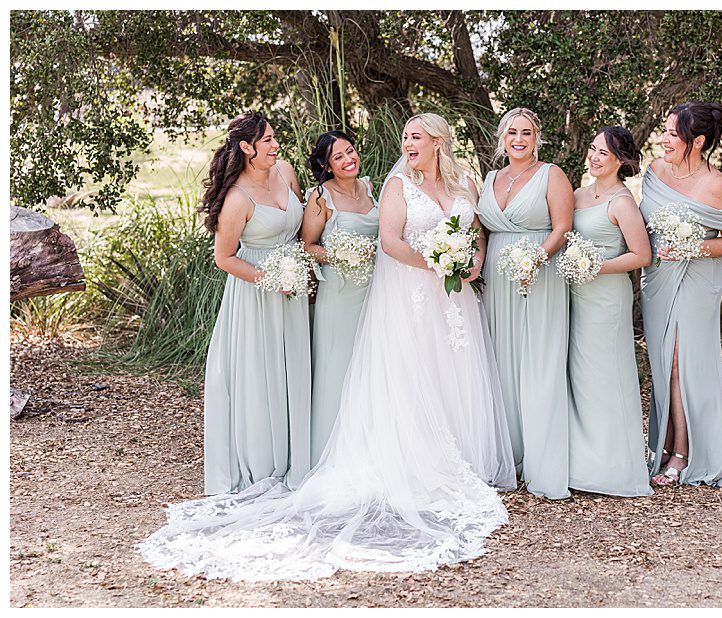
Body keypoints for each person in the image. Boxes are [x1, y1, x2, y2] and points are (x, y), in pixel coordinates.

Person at [137, 112, 515, 582]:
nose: (404, 144)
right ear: (249, 148)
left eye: (415, 136)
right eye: (270, 140)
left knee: (429, 369)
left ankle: (447, 451)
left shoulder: (400, 185)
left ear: (439, 142)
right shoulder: (360, 191)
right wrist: (326, 261)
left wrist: (466, 258)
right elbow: (308, 241)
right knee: (314, 371)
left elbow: (470, 230)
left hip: (426, 296)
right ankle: (287, 459)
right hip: (322, 289)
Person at [198, 111, 311, 495]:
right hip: (257, 292)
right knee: (260, 373)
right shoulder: (237, 199)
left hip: (292, 286)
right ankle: (264, 460)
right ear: (246, 148)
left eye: (274, 138)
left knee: (292, 366)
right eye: (267, 141)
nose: (275, 145)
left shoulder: (287, 172)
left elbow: (304, 218)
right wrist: (271, 279)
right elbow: (225, 258)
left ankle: (298, 452)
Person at [639, 101, 722, 487]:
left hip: (697, 281)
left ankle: (683, 453)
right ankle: (661, 447)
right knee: (662, 361)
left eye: (674, 134)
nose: (665, 140)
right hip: (656, 280)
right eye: (665, 131)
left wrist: (693, 248)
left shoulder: (717, 186)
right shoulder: (654, 170)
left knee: (680, 365)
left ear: (697, 141)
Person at [476, 107, 574, 499]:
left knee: (538, 361)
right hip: (497, 281)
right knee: (502, 363)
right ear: (503, 137)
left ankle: (542, 463)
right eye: (512, 132)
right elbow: (482, 228)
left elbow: (563, 227)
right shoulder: (489, 178)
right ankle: (508, 457)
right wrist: (476, 266)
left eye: (527, 133)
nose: (519, 139)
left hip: (540, 274)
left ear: (537, 139)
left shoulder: (552, 175)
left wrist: (536, 259)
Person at [567, 126, 653, 497]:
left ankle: (614, 467)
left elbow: (642, 255)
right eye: (591, 149)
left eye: (603, 152)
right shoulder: (576, 195)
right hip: (574, 295)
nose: (594, 157)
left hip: (606, 298)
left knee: (605, 375)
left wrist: (595, 266)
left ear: (620, 160)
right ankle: (581, 461)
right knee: (578, 376)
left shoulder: (621, 202)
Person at [302, 131, 379, 471]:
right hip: (339, 293)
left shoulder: (371, 188)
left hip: (377, 293)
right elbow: (308, 246)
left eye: (351, 151)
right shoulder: (321, 197)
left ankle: (371, 446)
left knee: (373, 367)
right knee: (339, 367)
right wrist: (339, 255)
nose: (350, 160)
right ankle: (330, 455)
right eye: (339, 157)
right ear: (326, 165)